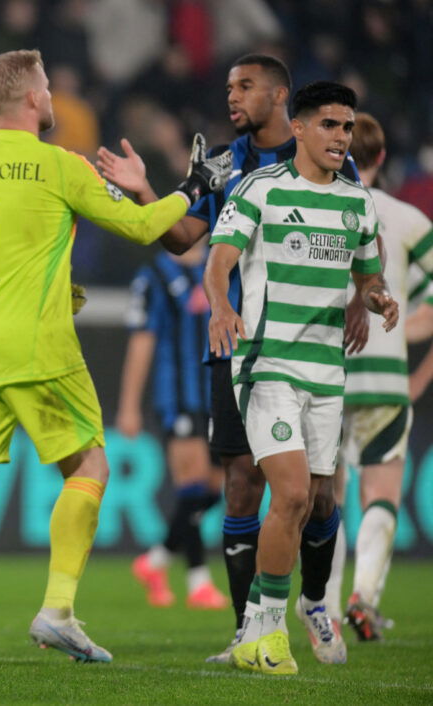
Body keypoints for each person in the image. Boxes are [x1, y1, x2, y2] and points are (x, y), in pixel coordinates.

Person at [0, 48, 228, 664]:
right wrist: (197, 186)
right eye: (45, 89)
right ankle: (57, 610)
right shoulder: (57, 165)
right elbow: (147, 229)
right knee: (90, 468)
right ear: (32, 100)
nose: (51, 100)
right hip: (40, 349)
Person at [96, 53, 362, 664]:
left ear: (282, 97)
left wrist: (359, 295)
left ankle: (315, 601)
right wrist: (146, 192)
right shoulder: (221, 164)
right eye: (227, 87)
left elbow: (353, 236)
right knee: (241, 485)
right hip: (237, 347)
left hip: (308, 348)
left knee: (318, 497)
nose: (232, 97)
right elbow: (184, 240)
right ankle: (247, 630)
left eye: (245, 87)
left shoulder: (331, 160)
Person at [205, 81, 398, 675]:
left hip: (326, 367)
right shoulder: (259, 188)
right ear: (300, 128)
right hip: (267, 360)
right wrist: (221, 306)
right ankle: (264, 632)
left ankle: (314, 601)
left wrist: (377, 297)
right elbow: (220, 261)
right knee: (288, 493)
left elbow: (368, 272)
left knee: (319, 502)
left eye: (348, 126)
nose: (341, 136)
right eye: (330, 125)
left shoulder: (355, 201)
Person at [322, 114, 433, 640]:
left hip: (324, 371)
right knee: (381, 490)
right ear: (382, 158)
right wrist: (411, 353)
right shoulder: (410, 220)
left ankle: (321, 606)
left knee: (329, 496)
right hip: (385, 377)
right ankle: (363, 597)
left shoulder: (320, 206)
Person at [118, 239, 227, 610]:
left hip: (217, 394)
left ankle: (156, 560)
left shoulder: (220, 267)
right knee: (193, 486)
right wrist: (129, 406)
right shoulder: (154, 277)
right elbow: (142, 342)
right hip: (178, 396)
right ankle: (199, 583)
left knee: (214, 490)